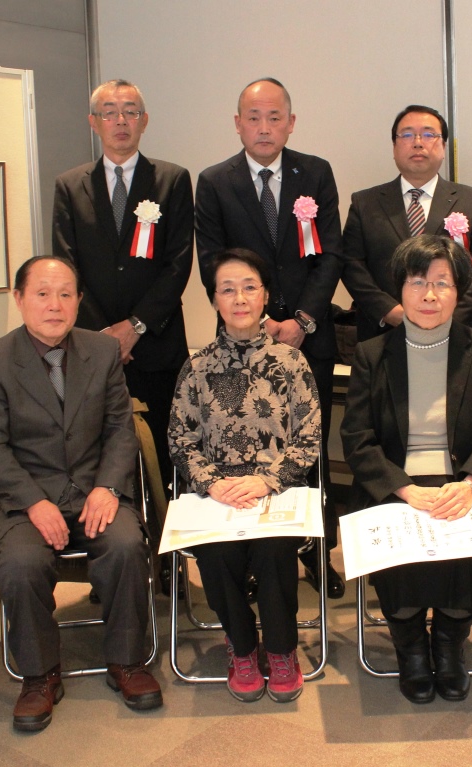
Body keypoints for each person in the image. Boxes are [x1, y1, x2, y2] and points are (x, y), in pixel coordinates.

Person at [0, 256, 162, 732]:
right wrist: (34, 503)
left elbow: (121, 430)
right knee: (20, 563)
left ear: (78, 301)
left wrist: (108, 487)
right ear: (19, 299)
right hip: (27, 498)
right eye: (42, 294)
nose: (54, 305)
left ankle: (127, 661)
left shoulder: (102, 350)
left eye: (65, 294)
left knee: (125, 545)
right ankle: (39, 675)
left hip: (96, 490)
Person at [341, 235, 472, 704]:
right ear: (400, 288)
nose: (430, 295)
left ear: (459, 291)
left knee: (464, 546)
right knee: (403, 547)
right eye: (418, 282)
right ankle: (412, 650)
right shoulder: (372, 354)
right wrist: (403, 488)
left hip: (461, 480)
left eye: (442, 282)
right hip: (397, 483)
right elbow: (357, 440)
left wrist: (471, 484)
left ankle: (449, 644)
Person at [194, 77, 344, 598]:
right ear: (238, 124)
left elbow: (330, 254)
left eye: (274, 117)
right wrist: (257, 325)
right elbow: (211, 263)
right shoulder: (215, 182)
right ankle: (256, 556)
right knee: (246, 449)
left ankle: (317, 553)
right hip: (239, 344)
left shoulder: (315, 173)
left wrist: (301, 321)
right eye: (253, 118)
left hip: (308, 338)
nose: (264, 127)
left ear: (291, 123)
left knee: (310, 448)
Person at [168, 248, 321, 704]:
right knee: (217, 552)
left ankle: (281, 649)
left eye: (249, 287)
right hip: (218, 492)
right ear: (214, 300)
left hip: (275, 490)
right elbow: (180, 439)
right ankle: (241, 646)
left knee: (274, 550)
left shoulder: (292, 363)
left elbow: (309, 438)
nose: (239, 298)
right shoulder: (196, 367)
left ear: (266, 296)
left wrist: (267, 481)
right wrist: (213, 483)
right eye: (228, 290)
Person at [53, 78, 193, 511]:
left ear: (144, 121)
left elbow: (178, 265)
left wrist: (134, 327)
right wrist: (105, 337)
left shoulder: (171, 180)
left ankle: (168, 540)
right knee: (101, 451)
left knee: (166, 450)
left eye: (130, 112)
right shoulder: (70, 185)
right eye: (110, 112)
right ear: (93, 122)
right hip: (92, 349)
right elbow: (66, 268)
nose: (120, 121)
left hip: (156, 345)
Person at [342, 105, 472, 341]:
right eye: (407, 134)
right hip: (382, 333)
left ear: (443, 146)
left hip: (454, 330)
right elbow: (351, 263)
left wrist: (447, 315)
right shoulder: (365, 202)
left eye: (428, 134)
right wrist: (389, 311)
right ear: (394, 147)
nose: (418, 143)